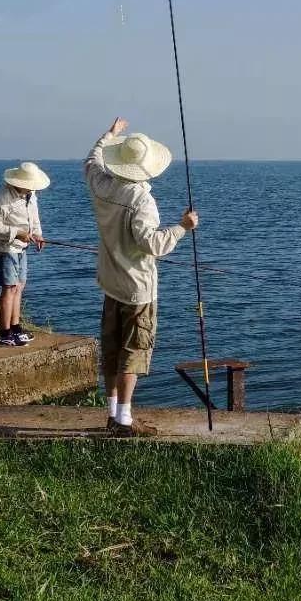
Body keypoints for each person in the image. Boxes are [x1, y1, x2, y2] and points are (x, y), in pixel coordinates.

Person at [85, 116, 198, 436]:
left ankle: (111, 413)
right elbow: (152, 244)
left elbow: (91, 161)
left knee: (111, 348)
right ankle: (124, 419)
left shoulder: (101, 185)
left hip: (109, 282)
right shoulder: (141, 200)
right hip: (137, 289)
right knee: (132, 352)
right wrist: (182, 228)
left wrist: (109, 134)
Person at [0, 162, 50, 346]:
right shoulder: (2, 197)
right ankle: (4, 332)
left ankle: (15, 327)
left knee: (19, 286)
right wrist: (17, 233)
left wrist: (38, 234)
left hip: (22, 248)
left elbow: (34, 218)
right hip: (5, 248)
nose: (32, 188)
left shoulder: (31, 195)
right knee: (9, 288)